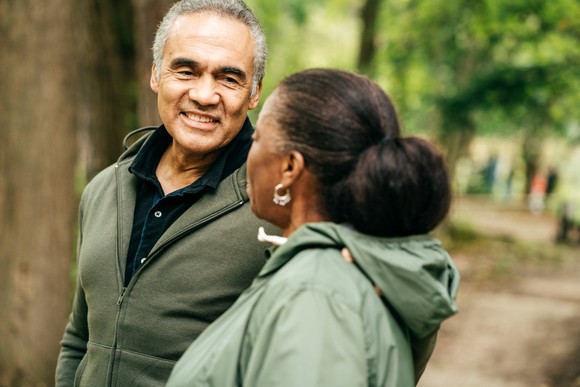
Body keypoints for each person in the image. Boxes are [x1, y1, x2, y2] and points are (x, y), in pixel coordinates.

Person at [167, 68, 460, 387]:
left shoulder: (314, 294)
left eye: (258, 138)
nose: (249, 155)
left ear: (290, 167)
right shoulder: (341, 274)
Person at [55, 0, 274, 385]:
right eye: (185, 70)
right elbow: (80, 338)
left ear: (254, 92)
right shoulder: (103, 190)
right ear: (156, 75)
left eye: (228, 78)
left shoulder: (279, 207)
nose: (204, 95)